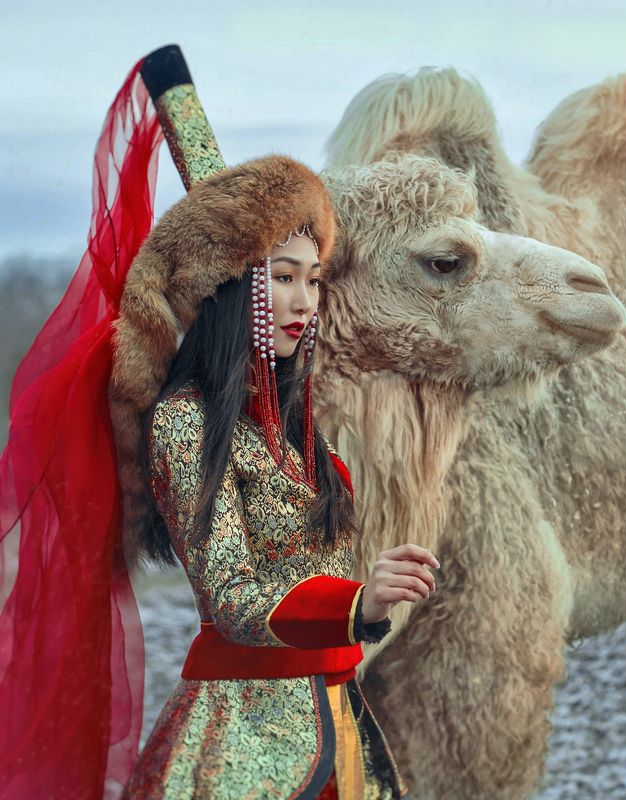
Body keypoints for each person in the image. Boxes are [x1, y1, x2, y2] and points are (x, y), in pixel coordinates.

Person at [111, 153, 437, 799]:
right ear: (226, 288)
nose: (304, 300)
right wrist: (357, 603)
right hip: (241, 746)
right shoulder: (187, 424)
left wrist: (366, 599)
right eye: (283, 276)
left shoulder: (295, 430)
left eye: (313, 280)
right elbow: (231, 595)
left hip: (341, 734)